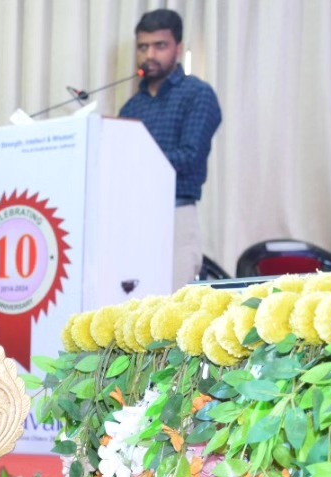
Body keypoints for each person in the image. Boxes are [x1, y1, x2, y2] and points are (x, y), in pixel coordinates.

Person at [118, 8, 222, 286]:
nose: (149, 55)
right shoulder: (131, 107)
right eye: (143, 47)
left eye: (159, 46)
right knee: (132, 305)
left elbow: (189, 157)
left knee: (172, 304)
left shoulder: (197, 94)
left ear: (178, 49)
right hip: (133, 217)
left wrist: (137, 162)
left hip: (175, 214)